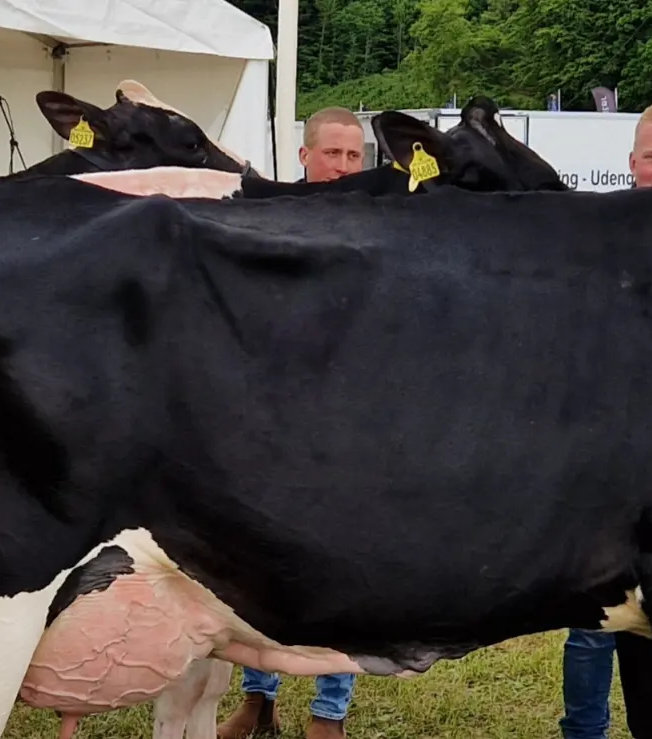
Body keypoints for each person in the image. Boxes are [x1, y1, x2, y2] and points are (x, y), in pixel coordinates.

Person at [557, 99, 652, 739]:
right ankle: (583, 733)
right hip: (606, 467)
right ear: (632, 164)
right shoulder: (595, 239)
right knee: (594, 621)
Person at [214, 105, 368, 739]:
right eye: (333, 153)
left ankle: (328, 714)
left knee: (351, 569)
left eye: (355, 156)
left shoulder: (383, 229)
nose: (344, 166)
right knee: (260, 564)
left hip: (358, 428)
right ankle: (259, 699)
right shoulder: (269, 223)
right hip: (273, 425)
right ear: (304, 157)